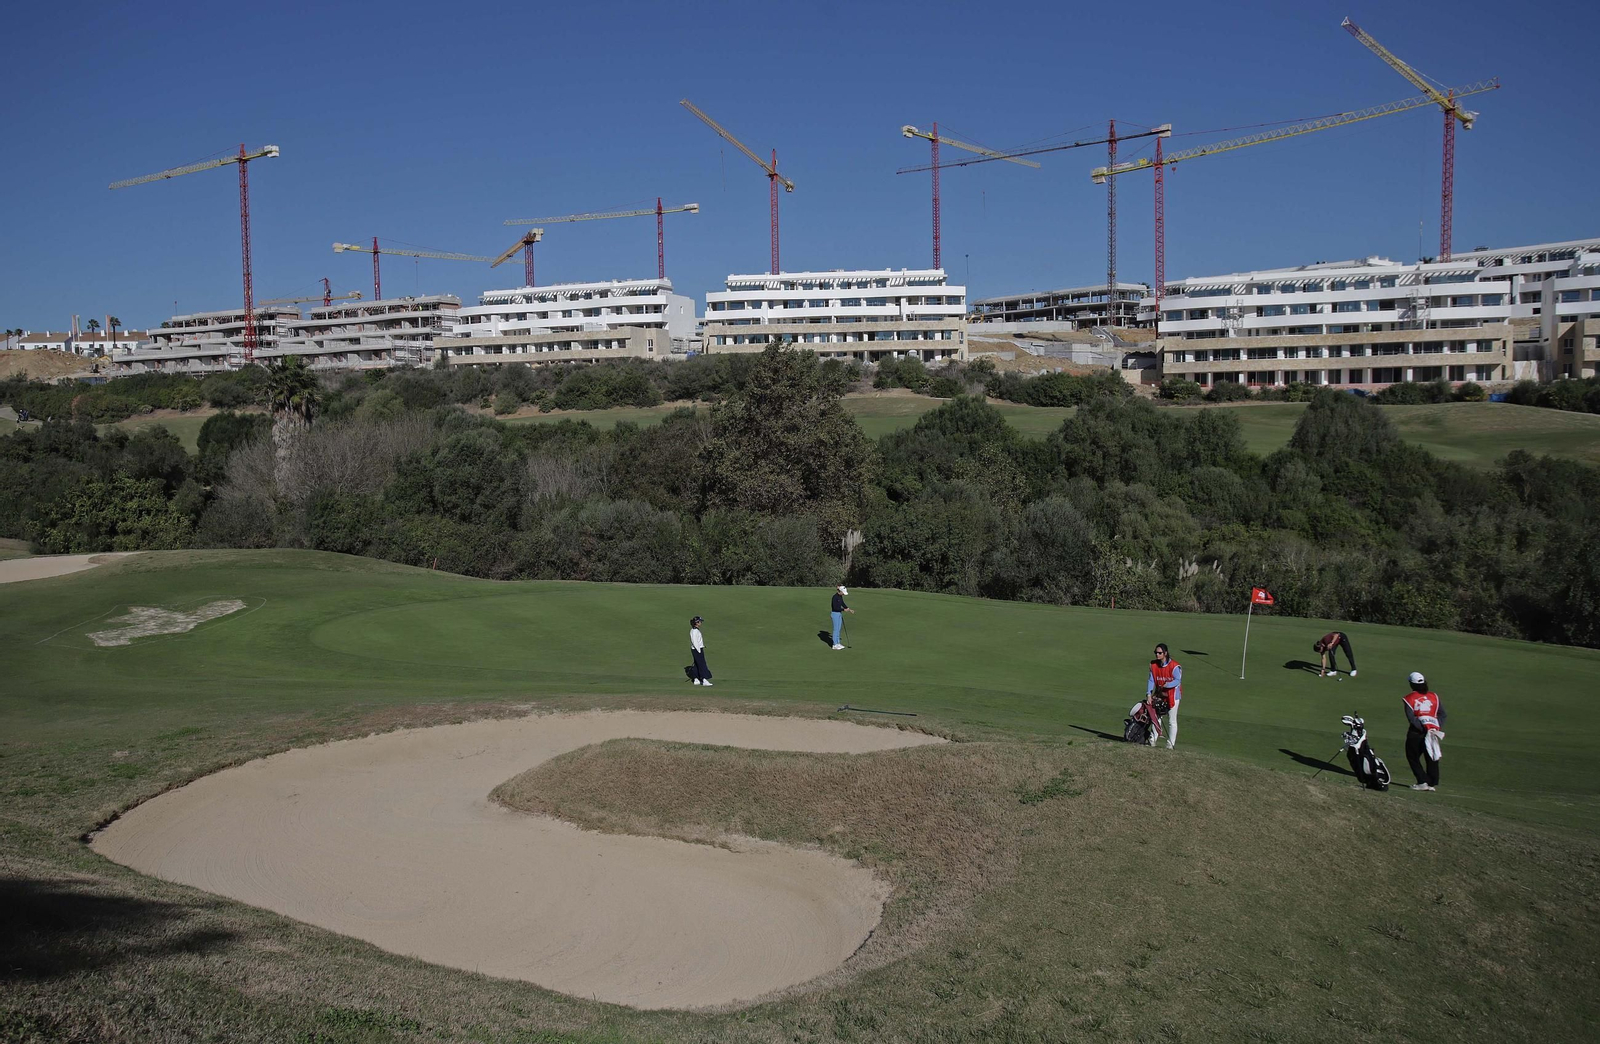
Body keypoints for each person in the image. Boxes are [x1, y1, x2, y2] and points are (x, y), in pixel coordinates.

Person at [1401, 671, 1446, 791]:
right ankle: (1431, 782)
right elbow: (1442, 715)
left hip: (1416, 733)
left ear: (1411, 684)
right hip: (1432, 732)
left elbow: (1411, 718)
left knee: (1412, 756)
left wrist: (1423, 728)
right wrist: (1434, 727)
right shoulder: (1434, 696)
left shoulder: (1409, 698)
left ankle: (1422, 781)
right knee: (1431, 756)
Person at [1146, 643, 1182, 750]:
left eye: (1160, 653)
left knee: (1172, 720)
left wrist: (1167, 685)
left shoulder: (1175, 666)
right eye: (1156, 653)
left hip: (1173, 696)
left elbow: (1177, 680)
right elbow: (1151, 680)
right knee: (1156, 717)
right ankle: (1153, 739)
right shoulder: (1154, 665)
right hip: (1160, 694)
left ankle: (1170, 744)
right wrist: (1148, 693)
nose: (1157, 655)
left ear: (1165, 653)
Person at [689, 616, 712, 687]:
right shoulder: (694, 631)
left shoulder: (695, 630)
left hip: (698, 649)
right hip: (697, 649)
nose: (701, 623)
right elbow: (694, 641)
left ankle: (696, 679)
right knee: (702, 664)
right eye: (700, 621)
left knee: (697, 664)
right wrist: (699, 650)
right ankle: (704, 679)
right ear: (696, 622)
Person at [830, 585, 854, 650]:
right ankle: (834, 645)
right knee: (836, 629)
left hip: (839, 614)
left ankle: (838, 643)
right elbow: (835, 608)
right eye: (843, 592)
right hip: (835, 614)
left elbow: (842, 603)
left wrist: (848, 609)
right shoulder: (834, 597)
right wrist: (843, 610)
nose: (843, 594)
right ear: (840, 591)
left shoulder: (840, 596)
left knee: (839, 629)